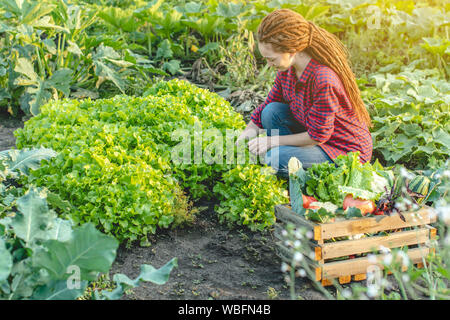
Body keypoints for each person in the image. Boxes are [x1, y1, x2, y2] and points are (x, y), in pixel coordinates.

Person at [236, 9, 373, 178]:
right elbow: (267, 106)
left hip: (343, 149)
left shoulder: (323, 79)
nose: (269, 64)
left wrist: (272, 142)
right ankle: (291, 159)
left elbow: (318, 136)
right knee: (271, 112)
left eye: (271, 59)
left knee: (274, 160)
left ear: (292, 51)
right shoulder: (287, 71)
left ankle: (295, 169)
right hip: (316, 134)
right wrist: (242, 138)